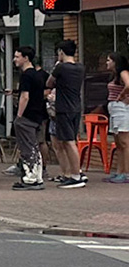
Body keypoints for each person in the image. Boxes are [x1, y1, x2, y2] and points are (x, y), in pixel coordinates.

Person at [48, 39, 87, 187]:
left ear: (61, 52)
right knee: (69, 140)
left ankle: (76, 175)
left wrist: (56, 69)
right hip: (76, 106)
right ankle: (74, 172)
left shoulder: (61, 68)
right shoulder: (80, 68)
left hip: (63, 107)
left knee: (69, 142)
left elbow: (49, 83)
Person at [11, 46, 48, 190]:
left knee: (27, 146)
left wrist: (19, 115)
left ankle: (30, 178)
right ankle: (36, 176)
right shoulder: (38, 75)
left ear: (26, 58)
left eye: (17, 56)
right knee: (34, 146)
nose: (15, 59)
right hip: (38, 114)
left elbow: (25, 96)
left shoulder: (26, 75)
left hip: (27, 116)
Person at [105, 53, 129, 184]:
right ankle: (119, 171)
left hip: (121, 109)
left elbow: (128, 84)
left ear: (115, 62)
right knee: (118, 143)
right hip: (114, 108)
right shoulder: (114, 76)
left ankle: (126, 172)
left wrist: (121, 96)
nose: (106, 63)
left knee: (125, 142)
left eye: (109, 60)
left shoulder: (123, 73)